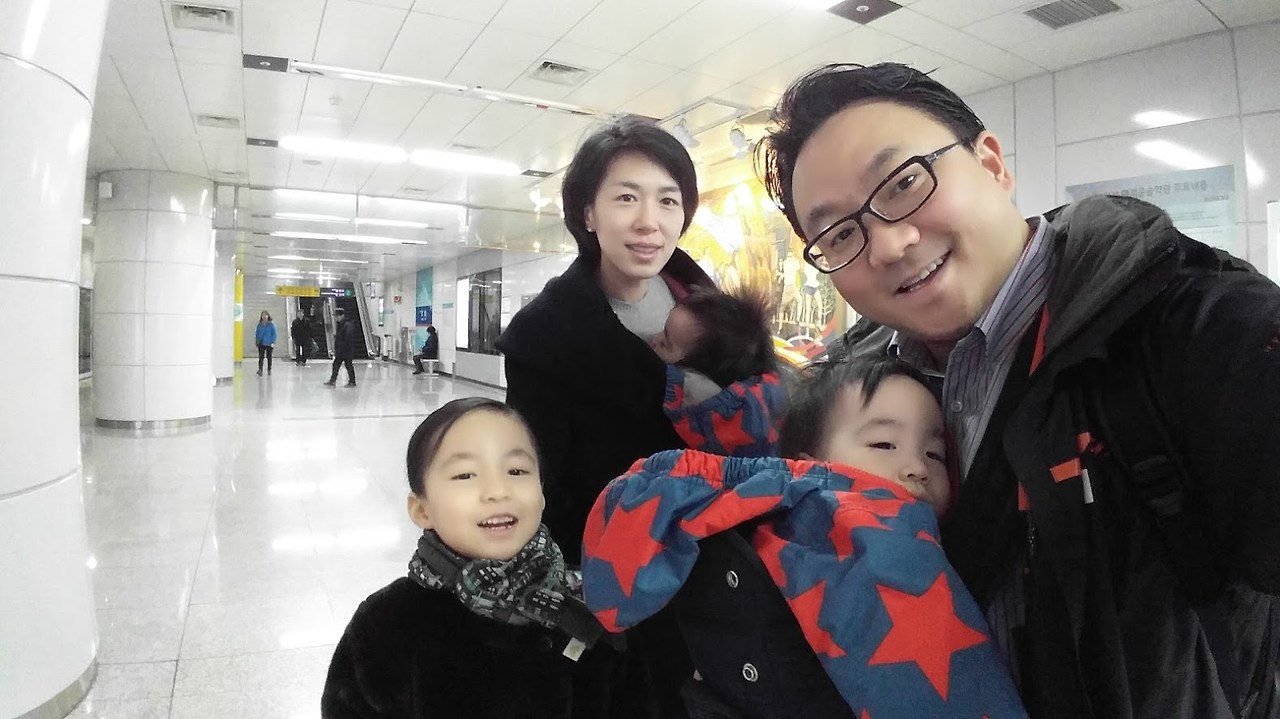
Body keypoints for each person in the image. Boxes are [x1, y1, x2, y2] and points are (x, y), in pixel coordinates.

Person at [756, 62, 1280, 718]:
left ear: (991, 164)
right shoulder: (851, 383)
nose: (887, 244)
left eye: (905, 183)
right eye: (839, 234)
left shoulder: (1195, 329)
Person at [583, 357, 1025, 718]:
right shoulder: (836, 525)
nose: (917, 468)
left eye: (935, 453)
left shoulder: (943, 544)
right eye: (883, 445)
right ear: (810, 465)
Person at [496, 115, 712, 718]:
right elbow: (539, 481)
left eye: (668, 200)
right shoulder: (545, 337)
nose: (649, 221)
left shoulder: (712, 311)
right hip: (618, 588)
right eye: (626, 198)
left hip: (720, 573)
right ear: (588, 213)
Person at [321, 398, 656, 719]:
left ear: (541, 493)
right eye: (465, 475)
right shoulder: (386, 625)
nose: (498, 491)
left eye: (516, 470)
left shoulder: (591, 607)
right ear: (421, 509)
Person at [650, 287, 785, 458]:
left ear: (698, 376)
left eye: (665, 343)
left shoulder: (696, 409)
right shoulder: (776, 394)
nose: (653, 339)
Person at [325, 307, 358, 387]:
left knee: (346, 365)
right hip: (343, 349)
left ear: (342, 315)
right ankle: (335, 380)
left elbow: (347, 338)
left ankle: (351, 381)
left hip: (345, 350)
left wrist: (341, 347)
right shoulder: (342, 324)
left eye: (337, 316)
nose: (336, 318)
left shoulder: (347, 324)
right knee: (340, 365)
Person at [254, 310, 276, 376]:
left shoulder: (271, 325)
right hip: (261, 343)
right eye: (263, 315)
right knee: (261, 357)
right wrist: (257, 341)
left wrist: (273, 342)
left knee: (269, 357)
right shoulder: (259, 325)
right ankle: (260, 370)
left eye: (265, 315)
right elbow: (257, 333)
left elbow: (274, 334)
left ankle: (269, 369)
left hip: (269, 343)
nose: (264, 316)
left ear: (268, 316)